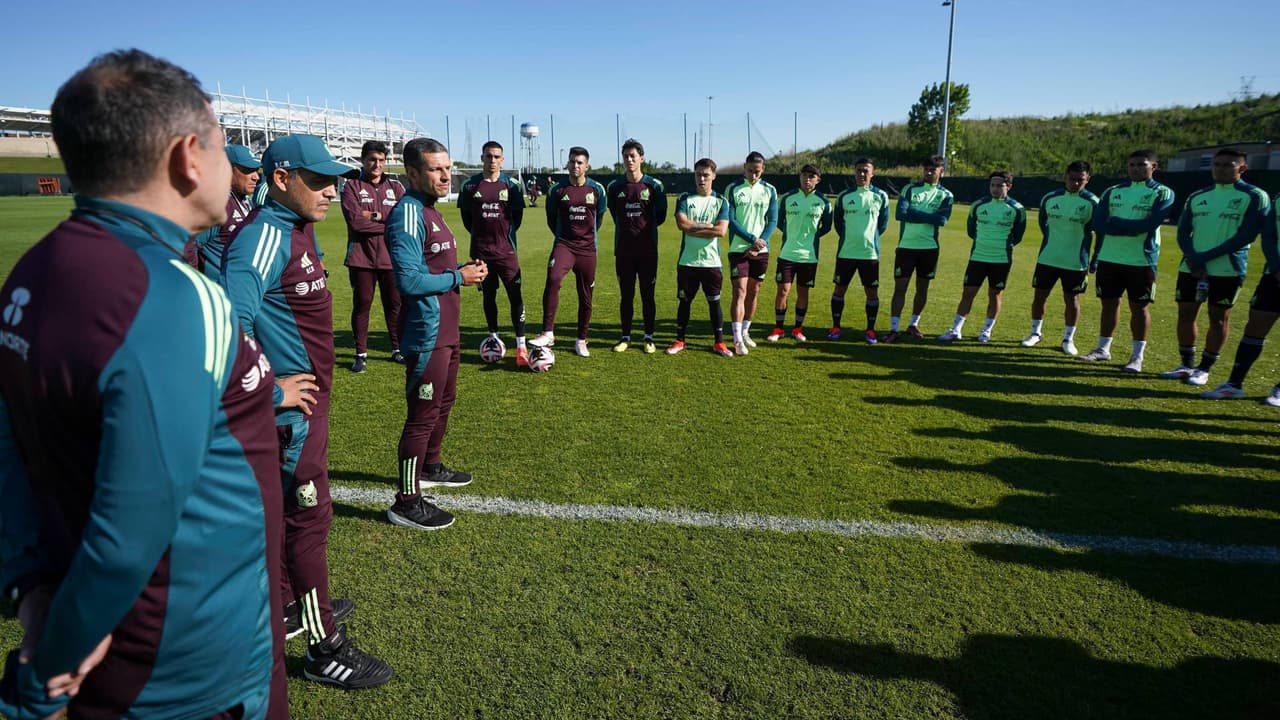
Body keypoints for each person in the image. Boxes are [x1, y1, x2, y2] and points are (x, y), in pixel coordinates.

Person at [0, 49, 286, 719]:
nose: (231, 164)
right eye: (225, 146)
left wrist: (33, 585)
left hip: (123, 643)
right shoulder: (173, 297)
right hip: (191, 665)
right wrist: (45, 677)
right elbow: (130, 529)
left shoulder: (31, 273)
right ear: (190, 155)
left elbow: (10, 446)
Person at [220, 133, 393, 690]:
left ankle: (298, 607)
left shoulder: (296, 227)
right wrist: (273, 393)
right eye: (317, 181)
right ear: (280, 179)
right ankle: (325, 651)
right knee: (308, 522)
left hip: (306, 410)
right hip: (290, 416)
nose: (330, 190)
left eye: (332, 178)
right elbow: (227, 331)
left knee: (294, 523)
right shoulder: (262, 238)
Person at [386, 137, 488, 527]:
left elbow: (434, 267)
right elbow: (409, 281)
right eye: (436, 169)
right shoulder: (407, 214)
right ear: (412, 173)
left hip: (447, 328)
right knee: (421, 416)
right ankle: (406, 502)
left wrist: (462, 271)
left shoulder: (431, 211)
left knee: (444, 404)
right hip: (426, 332)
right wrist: (456, 276)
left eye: (448, 168)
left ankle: (430, 466)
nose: (446, 176)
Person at [1159, 148, 1269, 386]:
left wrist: (1205, 257)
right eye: (1216, 164)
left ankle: (1204, 368)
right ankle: (1186, 364)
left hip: (1227, 269)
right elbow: (1182, 231)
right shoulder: (1198, 196)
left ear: (1242, 168)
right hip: (1191, 267)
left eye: (1227, 165)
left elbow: (1247, 235)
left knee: (1218, 318)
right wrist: (1192, 256)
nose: (1219, 169)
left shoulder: (1254, 196)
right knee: (1186, 313)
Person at [1078, 149, 1176, 372]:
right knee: (1108, 304)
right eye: (1131, 165)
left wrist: (1117, 223)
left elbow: (1149, 225)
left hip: (1141, 260)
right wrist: (1131, 226)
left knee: (1139, 308)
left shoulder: (1163, 192)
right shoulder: (1113, 191)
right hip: (1109, 258)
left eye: (1142, 164)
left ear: (1154, 167)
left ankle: (1137, 357)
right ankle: (1103, 349)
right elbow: (1099, 225)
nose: (1135, 168)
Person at [529, 146, 607, 357]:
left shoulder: (597, 189)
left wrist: (586, 237)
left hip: (588, 249)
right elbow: (551, 219)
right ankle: (547, 332)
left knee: (586, 295)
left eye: (580, 162)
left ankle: (581, 339)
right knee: (553, 279)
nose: (575, 165)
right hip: (564, 245)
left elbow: (598, 218)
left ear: (587, 166)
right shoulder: (557, 190)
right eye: (572, 161)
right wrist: (564, 238)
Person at [1202, 196, 1280, 403]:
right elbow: (1270, 236)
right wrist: (1276, 267)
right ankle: (1234, 384)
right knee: (1255, 327)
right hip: (1274, 276)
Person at [458, 141, 528, 365]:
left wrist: (501, 239)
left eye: (497, 157)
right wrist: (482, 240)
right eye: (489, 156)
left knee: (515, 296)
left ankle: (521, 345)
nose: (492, 160)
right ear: (482, 158)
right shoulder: (470, 186)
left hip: (506, 252)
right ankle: (494, 337)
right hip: (481, 253)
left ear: (502, 160)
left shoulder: (512, 186)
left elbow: (516, 219)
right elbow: (467, 219)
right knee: (489, 296)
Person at [341, 140, 406, 373]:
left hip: (391, 258)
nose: (377, 164)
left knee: (395, 305)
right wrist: (387, 220)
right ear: (363, 160)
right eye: (372, 160)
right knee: (362, 305)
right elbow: (357, 223)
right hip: (362, 258)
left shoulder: (396, 187)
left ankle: (398, 349)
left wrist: (375, 215)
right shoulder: (351, 187)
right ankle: (360, 354)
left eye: (381, 160)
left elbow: (402, 222)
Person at [938, 171, 1026, 342]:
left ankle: (986, 331)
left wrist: (1001, 245)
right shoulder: (978, 205)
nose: (995, 188)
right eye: (992, 185)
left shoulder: (1017, 208)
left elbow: (1018, 235)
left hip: (1001, 259)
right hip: (978, 257)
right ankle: (956, 329)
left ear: (1008, 186)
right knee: (968, 292)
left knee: (995, 294)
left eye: (999, 185)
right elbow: (971, 231)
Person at [1022, 160, 1099, 355]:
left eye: (1080, 180)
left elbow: (1099, 233)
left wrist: (1095, 257)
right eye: (1071, 179)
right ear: (1065, 176)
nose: (1075, 183)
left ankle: (1068, 339)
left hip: (1076, 261)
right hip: (1048, 258)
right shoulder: (1050, 198)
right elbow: (1043, 224)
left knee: (1072, 300)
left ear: (1087, 179)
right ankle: (1035, 333)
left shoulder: (1092, 202)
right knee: (1039, 296)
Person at [666, 158, 732, 357]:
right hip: (688, 261)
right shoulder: (685, 198)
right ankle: (680, 340)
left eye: (705, 175)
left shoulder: (721, 201)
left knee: (714, 302)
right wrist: (708, 227)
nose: (701, 179)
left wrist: (696, 228)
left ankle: (719, 343)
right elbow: (683, 226)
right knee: (684, 302)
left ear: (713, 176)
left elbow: (721, 231)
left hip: (711, 262)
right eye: (698, 175)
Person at [884, 155, 954, 342]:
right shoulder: (910, 189)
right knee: (900, 288)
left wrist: (915, 213)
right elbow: (901, 214)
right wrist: (930, 214)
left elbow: (942, 220)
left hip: (929, 249)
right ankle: (894, 328)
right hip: (906, 247)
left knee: (922, 289)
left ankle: (913, 324)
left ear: (942, 172)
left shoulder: (946, 195)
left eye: (933, 169)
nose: (929, 172)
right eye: (926, 169)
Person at [607, 138, 667, 353]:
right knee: (626, 295)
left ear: (642, 158)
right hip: (624, 250)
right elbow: (615, 214)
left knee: (647, 294)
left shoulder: (654, 185)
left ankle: (649, 337)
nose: (629, 160)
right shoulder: (615, 187)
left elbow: (660, 217)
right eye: (626, 156)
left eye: (633, 156)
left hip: (648, 250)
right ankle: (625, 337)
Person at [767, 164, 832, 343]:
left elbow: (826, 226)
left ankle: (797, 328)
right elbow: (779, 221)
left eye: (812, 176)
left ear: (818, 180)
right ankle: (778, 328)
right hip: (787, 253)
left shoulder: (824, 202)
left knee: (803, 293)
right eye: (804, 175)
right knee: (783, 291)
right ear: (800, 177)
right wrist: (791, 234)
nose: (807, 179)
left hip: (809, 256)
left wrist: (812, 236)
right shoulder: (787, 198)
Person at [829, 158, 890, 344]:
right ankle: (836, 326)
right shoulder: (844, 196)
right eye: (859, 171)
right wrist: (851, 238)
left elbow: (883, 225)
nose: (862, 174)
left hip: (869, 254)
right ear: (854, 172)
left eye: (865, 171)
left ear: (873, 173)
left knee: (872, 292)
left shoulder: (881, 196)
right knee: (839, 289)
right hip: (846, 252)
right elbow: (838, 224)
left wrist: (868, 239)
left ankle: (870, 330)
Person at [724, 151, 779, 354]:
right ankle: (737, 338)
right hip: (739, 248)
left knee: (754, 291)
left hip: (761, 250)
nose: (753, 175)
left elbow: (772, 220)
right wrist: (751, 240)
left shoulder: (770, 190)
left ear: (762, 169)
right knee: (740, 291)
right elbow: (731, 219)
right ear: (744, 168)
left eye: (757, 172)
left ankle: (746, 331)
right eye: (750, 171)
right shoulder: (733, 189)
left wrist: (760, 243)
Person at [190, 143, 261, 278]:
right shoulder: (216, 204)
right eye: (247, 170)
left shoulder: (245, 201)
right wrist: (194, 283)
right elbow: (188, 246)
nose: (256, 177)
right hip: (221, 292)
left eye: (257, 170)